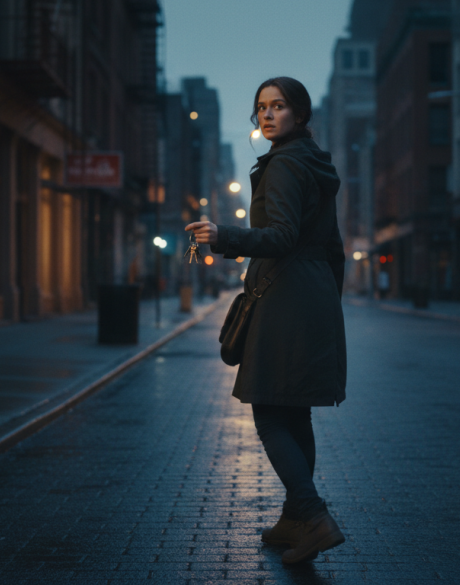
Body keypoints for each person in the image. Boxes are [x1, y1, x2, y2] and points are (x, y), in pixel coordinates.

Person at [185, 77, 347, 564]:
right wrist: (324, 301)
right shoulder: (315, 162)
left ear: (300, 113)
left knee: (269, 411)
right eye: (261, 107)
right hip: (312, 295)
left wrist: (223, 235)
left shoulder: (283, 166)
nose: (267, 115)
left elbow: (278, 237)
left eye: (278, 106)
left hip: (284, 298)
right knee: (295, 412)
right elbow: (334, 247)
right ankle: (293, 520)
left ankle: (313, 516)